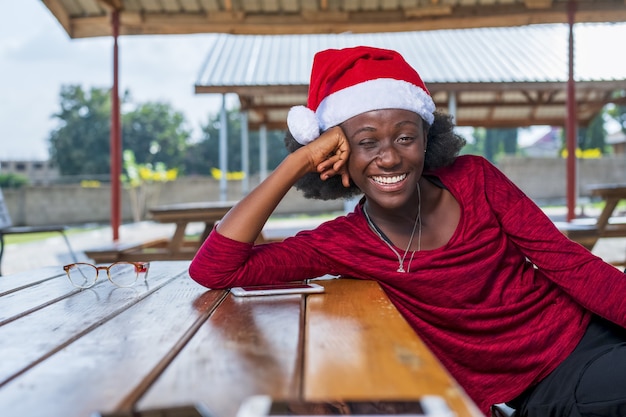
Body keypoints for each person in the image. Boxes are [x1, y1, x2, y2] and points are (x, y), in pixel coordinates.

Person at [189, 46, 626, 417]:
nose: (389, 158)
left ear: (427, 139)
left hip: (585, 339)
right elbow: (215, 268)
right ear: (335, 157)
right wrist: (297, 162)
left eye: (404, 137)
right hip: (540, 389)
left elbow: (571, 264)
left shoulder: (476, 179)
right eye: (366, 142)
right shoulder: (343, 241)